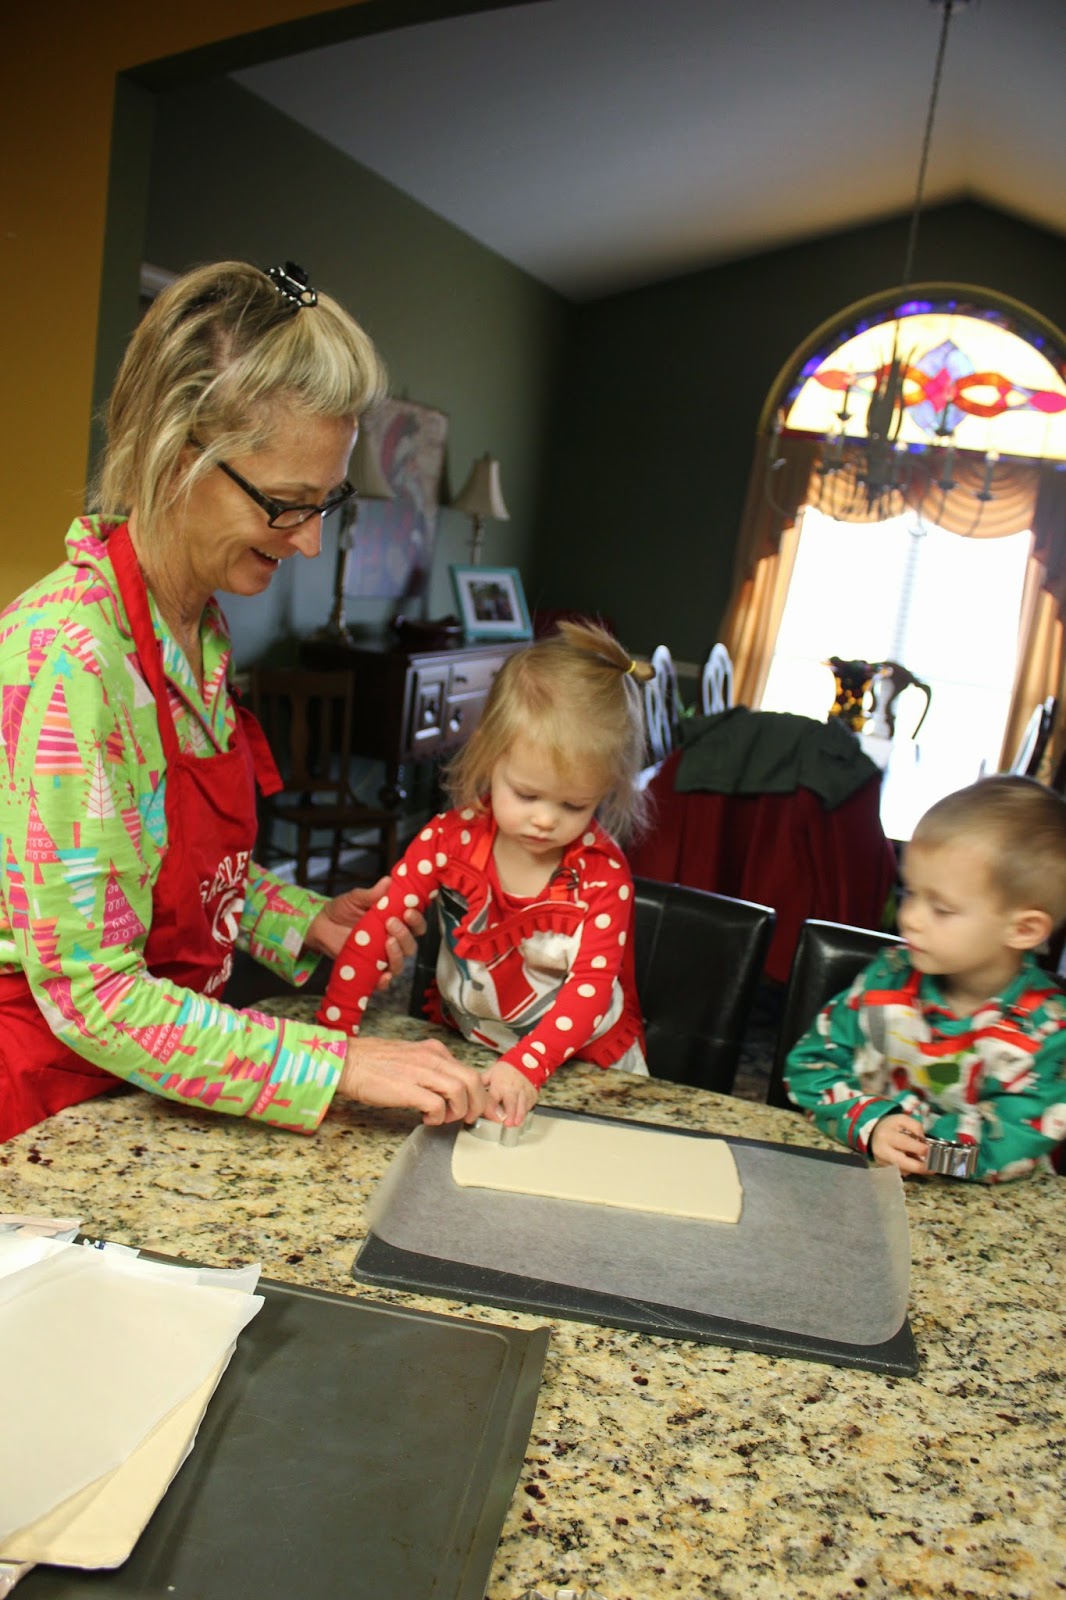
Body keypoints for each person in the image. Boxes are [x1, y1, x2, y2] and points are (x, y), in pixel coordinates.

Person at [0, 259, 486, 1142]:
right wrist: (337, 1064)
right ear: (176, 455)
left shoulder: (198, 630)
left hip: (152, 1085)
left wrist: (305, 919)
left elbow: (159, 877)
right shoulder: (74, 660)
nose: (310, 543)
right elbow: (96, 992)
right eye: (287, 504)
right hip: (45, 1104)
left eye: (327, 502)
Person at [317, 620, 655, 1125]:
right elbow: (375, 931)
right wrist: (333, 1036)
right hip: (475, 1045)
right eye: (526, 794)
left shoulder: (603, 878)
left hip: (582, 1066)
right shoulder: (446, 840)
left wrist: (526, 1065)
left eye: (574, 804)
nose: (545, 819)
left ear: (604, 789)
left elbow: (590, 990)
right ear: (489, 756)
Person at [784, 776, 1066, 1182]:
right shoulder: (887, 978)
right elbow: (808, 1067)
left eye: (942, 909)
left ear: (1023, 929)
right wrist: (872, 1125)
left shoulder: (1048, 1033)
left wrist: (921, 1152)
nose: (910, 918)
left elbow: (1007, 1151)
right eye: (910, 893)